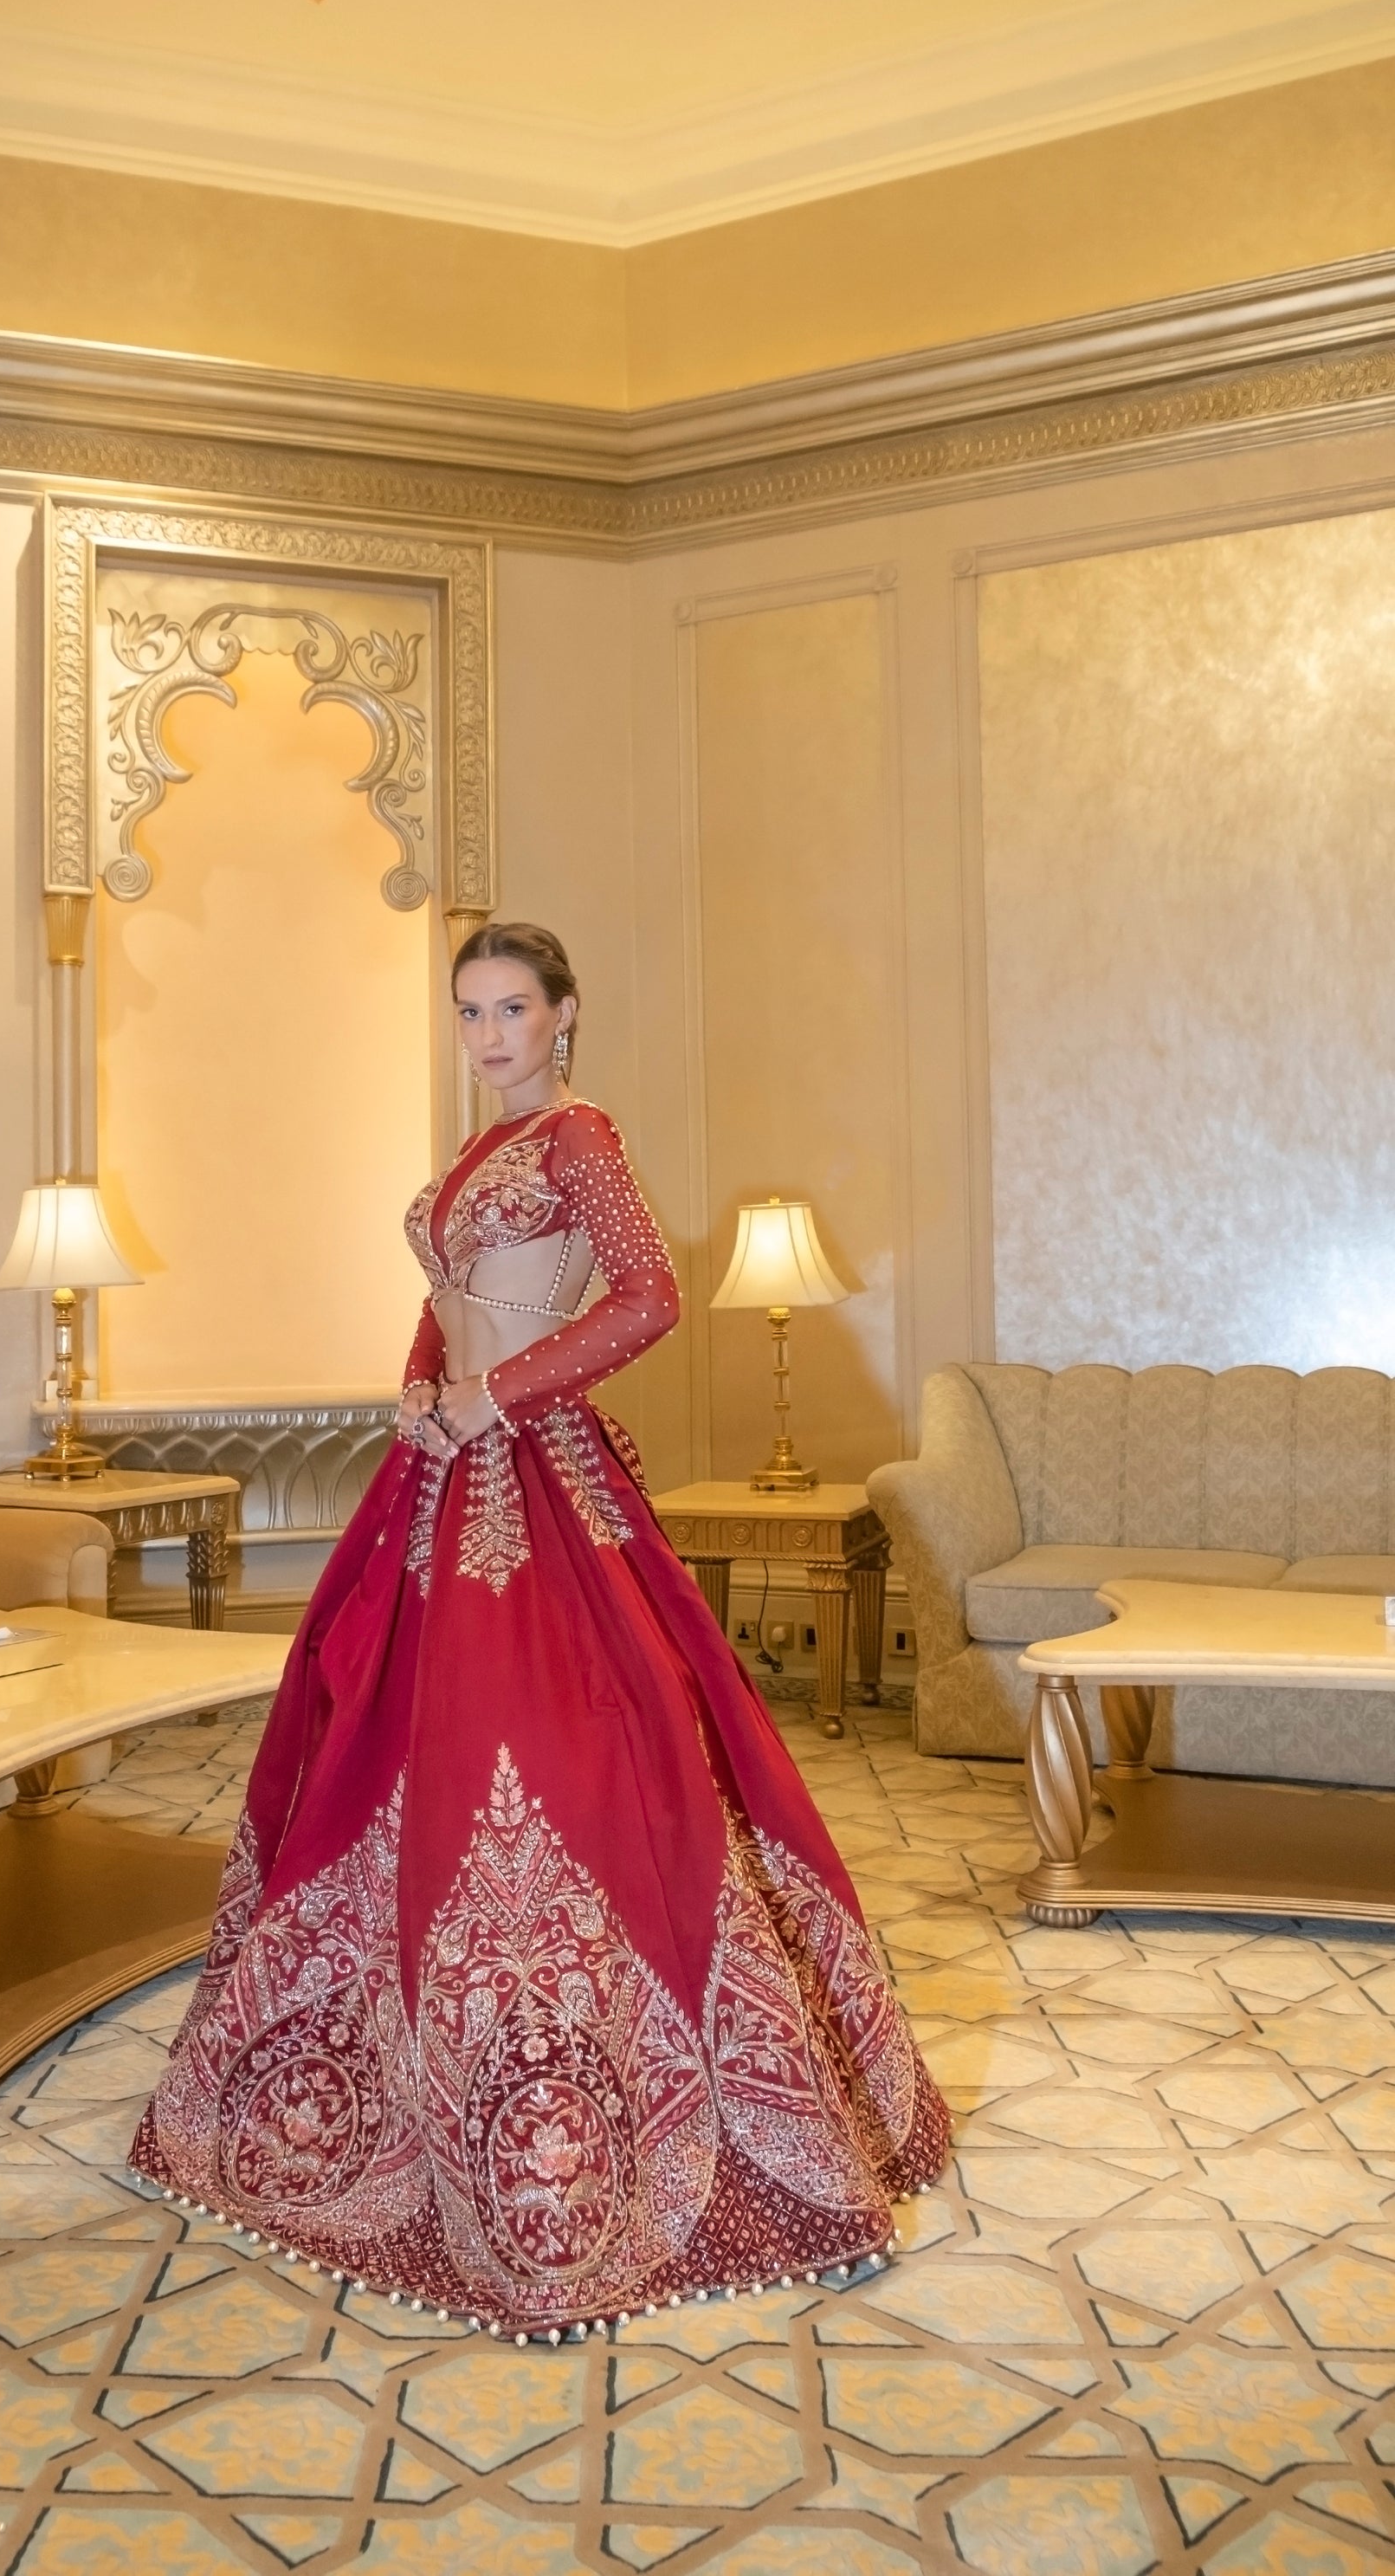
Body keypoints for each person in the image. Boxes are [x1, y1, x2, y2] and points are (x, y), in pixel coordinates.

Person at [132, 922, 947, 2340]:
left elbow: (648, 1297)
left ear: (565, 1016)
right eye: (470, 1012)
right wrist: (417, 1389)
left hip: (533, 1464)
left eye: (513, 1009)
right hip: (440, 1460)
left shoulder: (578, 1137)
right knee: (381, 1731)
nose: (490, 1034)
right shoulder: (467, 1160)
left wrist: (495, 1403)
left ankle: (678, 2101)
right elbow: (444, 1308)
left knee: (568, 1738)